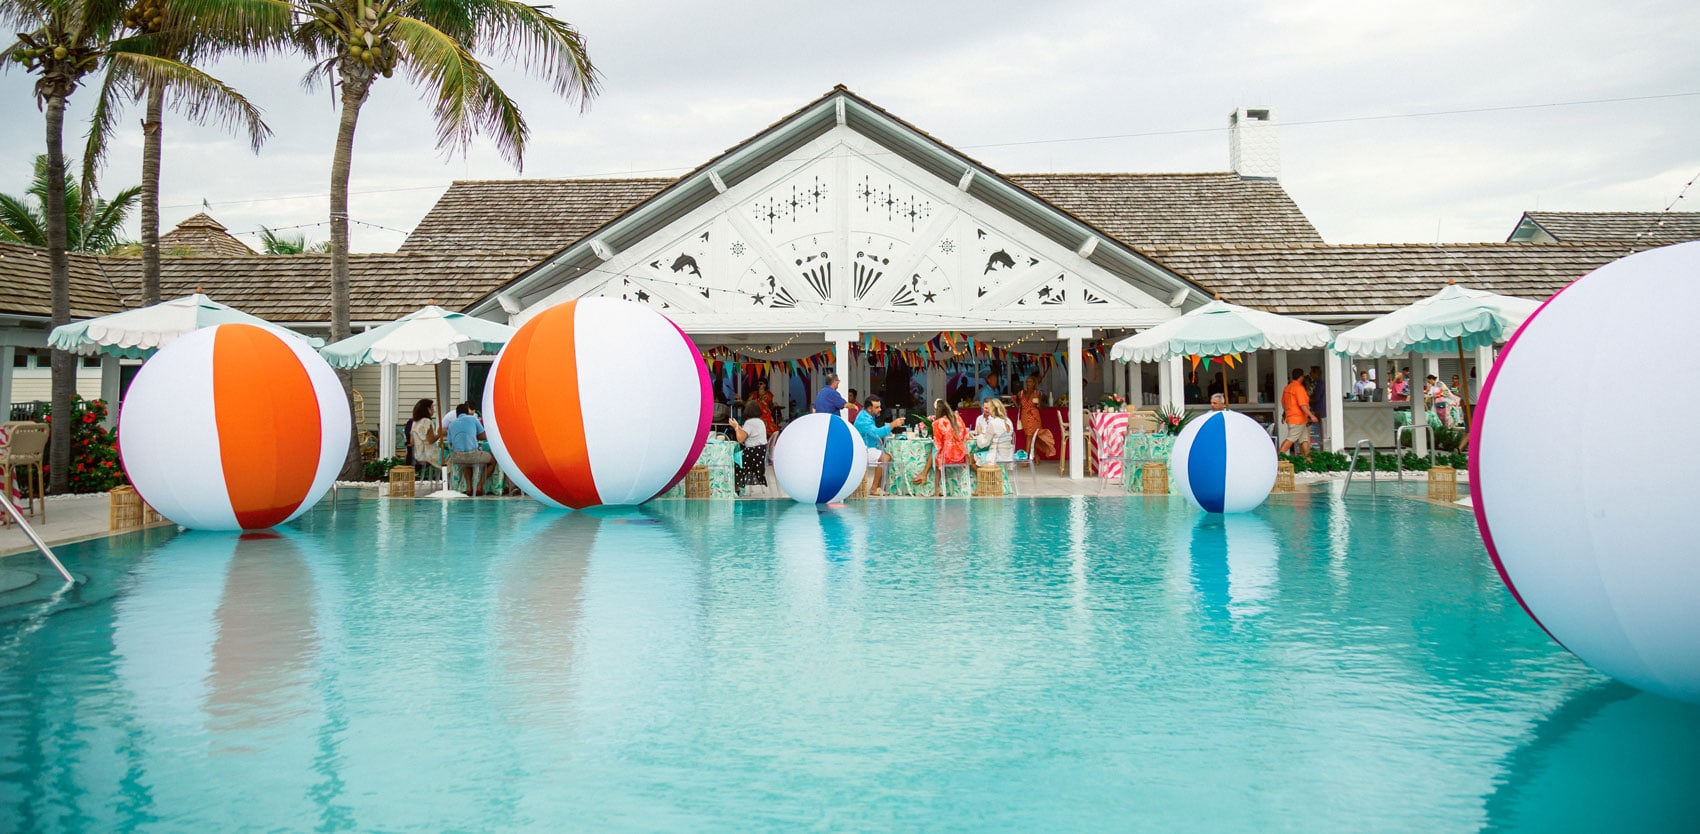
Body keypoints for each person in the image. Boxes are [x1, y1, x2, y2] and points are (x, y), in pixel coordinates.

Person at [912, 398, 970, 490]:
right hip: (962, 456)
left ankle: (936, 488)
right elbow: (966, 437)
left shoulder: (937, 423)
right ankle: (924, 475)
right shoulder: (958, 418)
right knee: (936, 451)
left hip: (947, 457)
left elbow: (938, 445)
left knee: (935, 451)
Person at [852, 394, 905, 494]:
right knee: (885, 458)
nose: (880, 409)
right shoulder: (864, 420)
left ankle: (880, 487)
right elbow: (876, 433)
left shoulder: (867, 415)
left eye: (880, 406)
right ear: (869, 408)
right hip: (863, 449)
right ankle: (874, 488)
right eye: (877, 407)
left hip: (869, 446)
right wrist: (893, 425)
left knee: (887, 456)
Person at [446, 402, 496, 496]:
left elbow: (451, 443)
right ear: (467, 412)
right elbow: (483, 436)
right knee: (492, 461)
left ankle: (469, 487)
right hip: (473, 455)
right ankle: (479, 486)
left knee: (466, 461)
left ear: (457, 414)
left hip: (457, 457)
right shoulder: (473, 419)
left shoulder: (451, 424)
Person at [731, 400, 769, 494]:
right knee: (737, 458)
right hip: (760, 453)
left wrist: (736, 427)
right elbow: (745, 433)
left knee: (733, 460)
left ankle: (736, 489)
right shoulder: (760, 422)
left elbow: (740, 439)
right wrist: (738, 427)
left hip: (752, 454)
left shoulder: (750, 422)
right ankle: (738, 488)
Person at [1014, 374, 1055, 458]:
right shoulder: (1021, 393)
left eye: (1030, 381)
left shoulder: (1037, 393)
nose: (1028, 383)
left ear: (1034, 383)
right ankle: (1036, 456)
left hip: (1034, 416)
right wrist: (1015, 401)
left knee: (1029, 437)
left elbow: (1040, 407)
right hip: (1024, 416)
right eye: (1027, 381)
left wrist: (1039, 402)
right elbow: (1019, 406)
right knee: (1030, 437)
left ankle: (1025, 458)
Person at [1279, 368, 1316, 455]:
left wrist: (1285, 414)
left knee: (1304, 439)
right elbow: (1302, 405)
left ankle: (1308, 460)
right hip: (1298, 419)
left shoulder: (1287, 387)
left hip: (1294, 418)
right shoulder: (1299, 388)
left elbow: (1283, 402)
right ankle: (1278, 457)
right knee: (1291, 438)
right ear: (1301, 377)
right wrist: (1312, 415)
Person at [972, 398, 1015, 466]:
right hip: (1008, 454)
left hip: (996, 456)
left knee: (974, 456)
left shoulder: (993, 423)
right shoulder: (1008, 421)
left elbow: (983, 444)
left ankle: (985, 476)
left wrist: (980, 432)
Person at [407, 399, 443, 471]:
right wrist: (440, 434)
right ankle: (448, 479)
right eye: (432, 407)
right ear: (427, 409)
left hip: (418, 455)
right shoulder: (427, 421)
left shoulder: (415, 422)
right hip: (429, 455)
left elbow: (412, 442)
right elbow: (431, 440)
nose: (434, 410)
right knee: (450, 457)